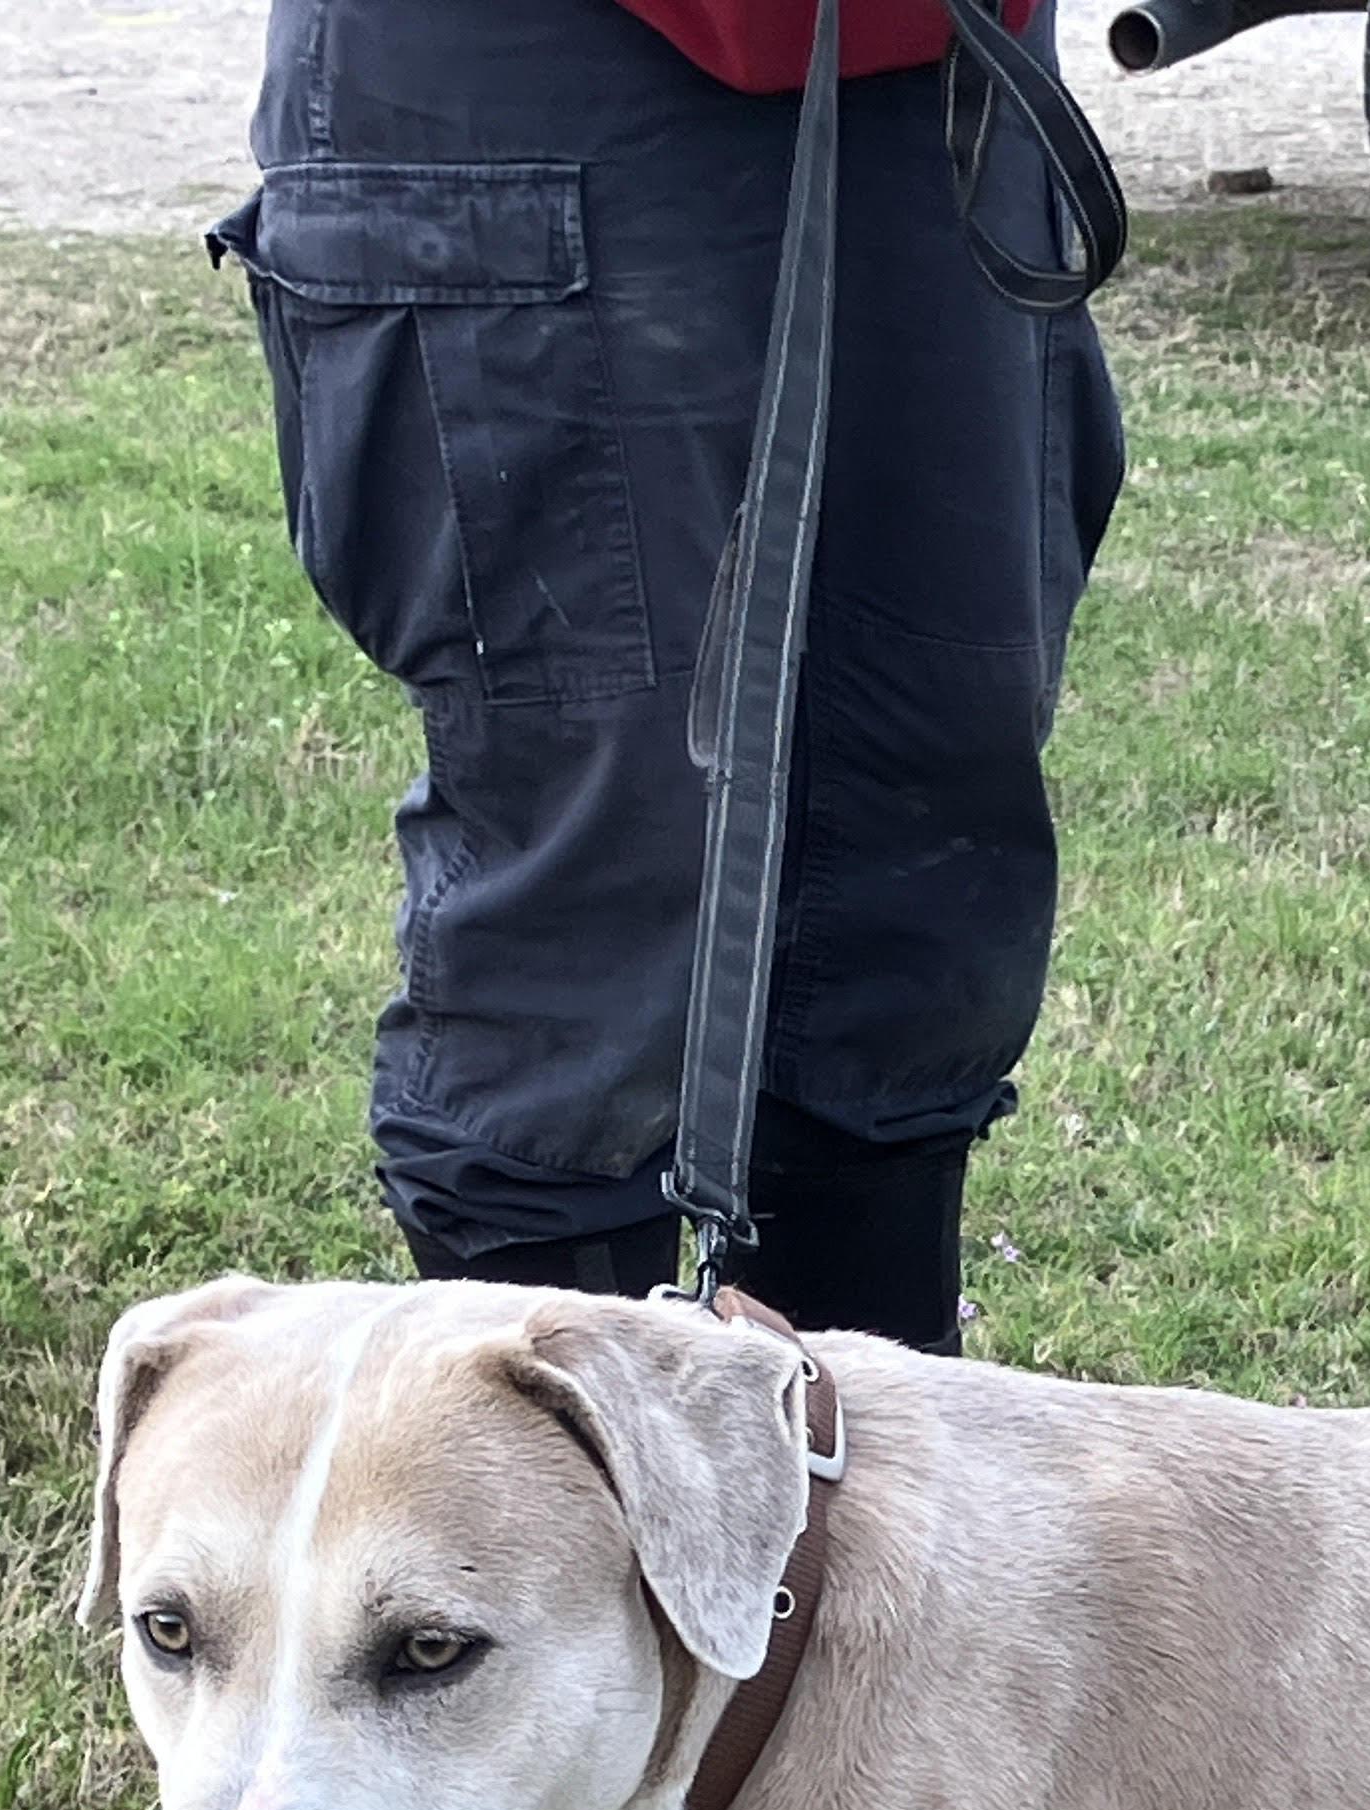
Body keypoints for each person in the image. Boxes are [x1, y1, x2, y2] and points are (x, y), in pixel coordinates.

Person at [212, 0, 1125, 1344]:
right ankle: (543, 1514)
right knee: (599, 879)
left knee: (920, 832)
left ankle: (854, 1495)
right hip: (535, 77)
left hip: (931, 76)